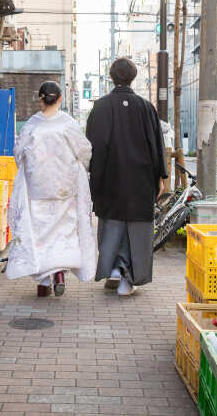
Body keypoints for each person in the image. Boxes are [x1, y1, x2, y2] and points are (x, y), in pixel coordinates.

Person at [86, 57, 168, 296]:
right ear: (133, 77)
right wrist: (160, 176)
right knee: (137, 228)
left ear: (111, 77)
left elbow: (93, 146)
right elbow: (157, 145)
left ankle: (113, 267)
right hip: (141, 179)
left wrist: (94, 178)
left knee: (112, 224)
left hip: (109, 177)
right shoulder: (146, 107)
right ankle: (128, 278)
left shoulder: (100, 107)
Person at [6, 81, 96, 297]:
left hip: (37, 187)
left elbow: (18, 152)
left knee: (39, 233)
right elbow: (85, 151)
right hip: (65, 186)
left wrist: (29, 171)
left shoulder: (32, 125)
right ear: (61, 98)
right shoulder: (68, 124)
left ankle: (44, 281)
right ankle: (60, 274)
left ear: (40, 99)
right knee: (64, 232)